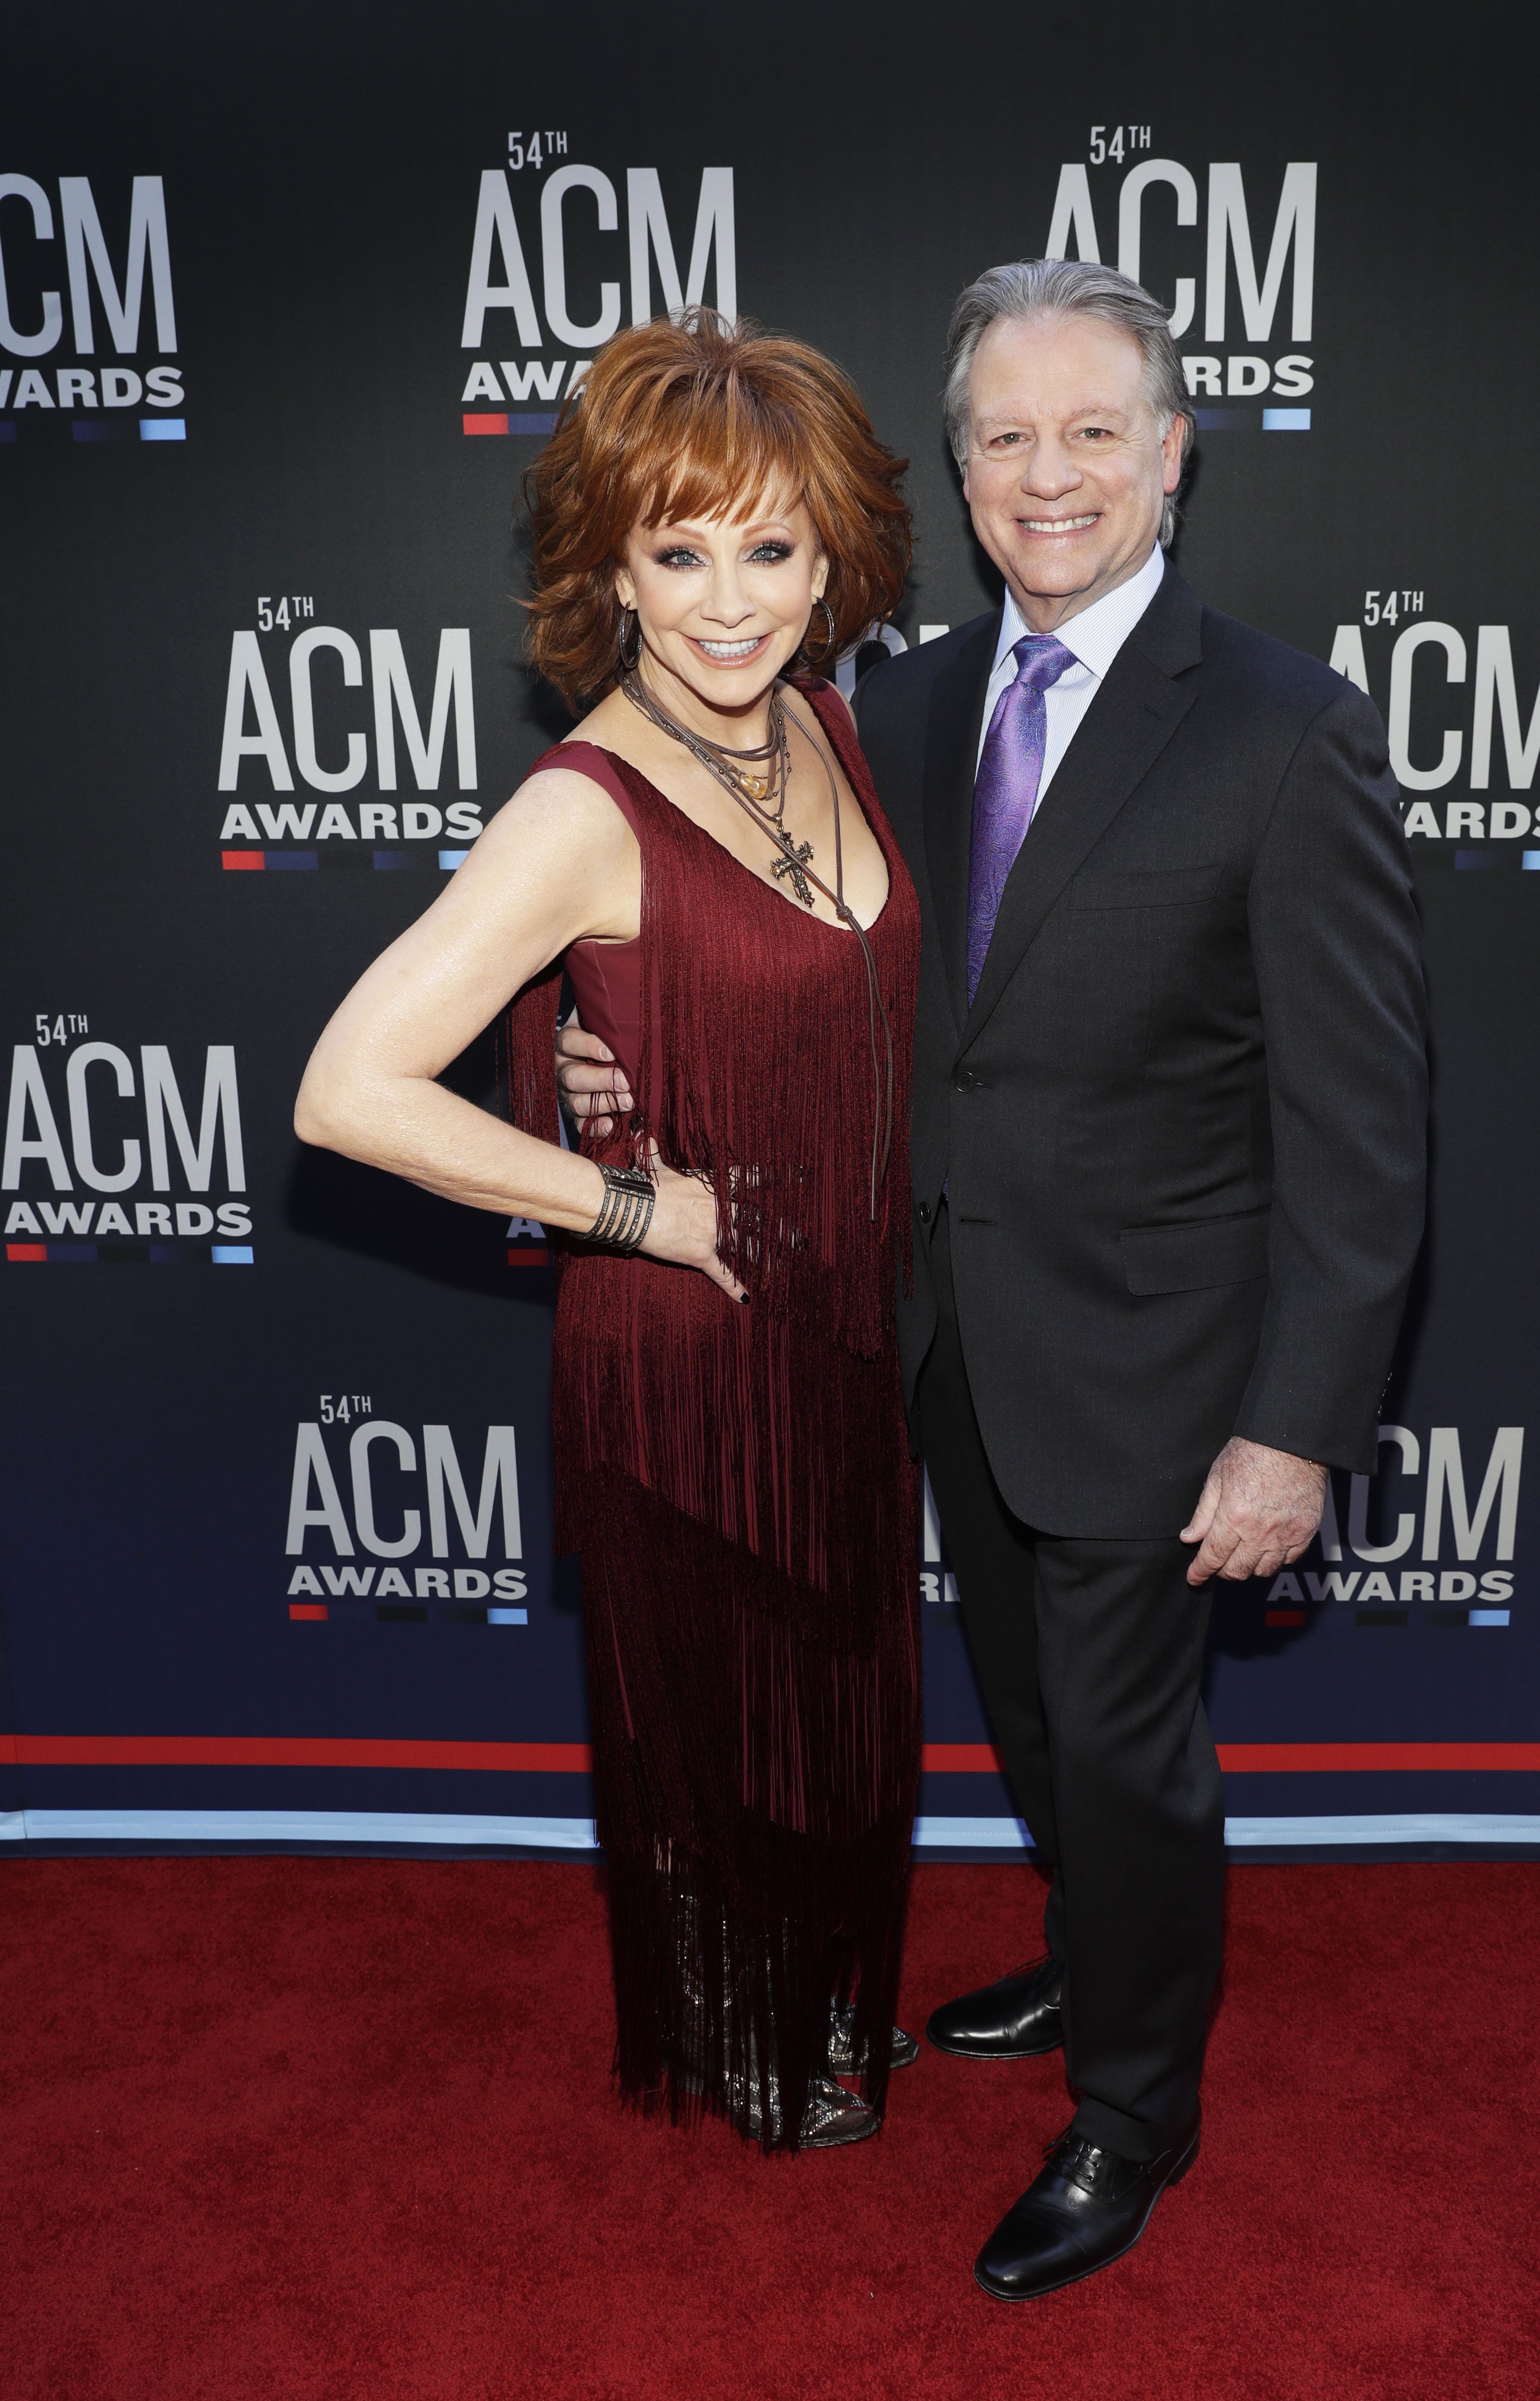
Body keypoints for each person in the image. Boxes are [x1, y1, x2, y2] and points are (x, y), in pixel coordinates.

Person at [564, 257, 1428, 2293]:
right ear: (957, 471)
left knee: (1127, 1747)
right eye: (1005, 437)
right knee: (1036, 1725)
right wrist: (618, 1054)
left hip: (1163, 1363)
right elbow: (820, 975)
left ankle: (1135, 2109)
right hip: (934, 1333)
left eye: (1092, 431)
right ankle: (1085, 1947)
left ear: (1174, 454)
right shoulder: (902, 699)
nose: (1049, 475)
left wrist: (1295, 1428)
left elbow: (1367, 1133)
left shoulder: (1290, 734)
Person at [295, 311, 924, 2153]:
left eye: (770, 549)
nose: (729, 601)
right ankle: (740, 2028)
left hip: (845, 1343)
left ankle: (818, 2001)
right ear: (612, 568)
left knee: (838, 1713)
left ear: (832, 560)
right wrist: (628, 1203)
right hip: (688, 1355)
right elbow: (347, 1090)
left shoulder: (818, 723)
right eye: (678, 551)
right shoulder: (580, 806)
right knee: (718, 1725)